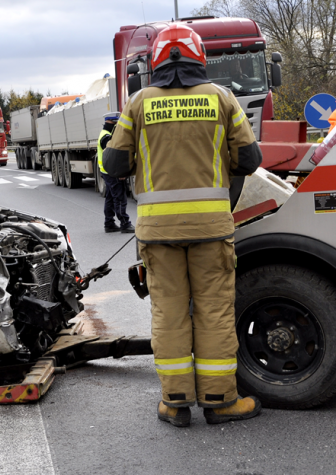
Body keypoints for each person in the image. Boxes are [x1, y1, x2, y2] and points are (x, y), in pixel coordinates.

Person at [103, 23, 263, 427]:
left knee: (169, 313)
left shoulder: (138, 104)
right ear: (199, 58)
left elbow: (116, 166)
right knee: (213, 312)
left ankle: (174, 402)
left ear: (156, 61)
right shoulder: (221, 98)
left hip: (158, 235)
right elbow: (249, 159)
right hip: (210, 228)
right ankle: (220, 400)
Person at [98, 112, 134, 233]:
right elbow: (113, 156)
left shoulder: (105, 134)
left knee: (110, 197)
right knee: (119, 197)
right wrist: (120, 172)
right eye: (116, 124)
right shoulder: (106, 137)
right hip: (112, 171)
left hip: (107, 171)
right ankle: (125, 223)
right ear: (112, 123)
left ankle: (109, 223)